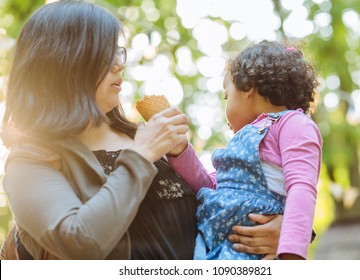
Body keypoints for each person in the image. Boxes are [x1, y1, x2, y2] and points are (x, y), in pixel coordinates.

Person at [0, 0, 283, 260]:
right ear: (66, 60)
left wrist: (285, 229)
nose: (119, 63)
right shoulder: (31, 160)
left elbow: (222, 202)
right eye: (104, 52)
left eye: (118, 51)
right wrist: (141, 155)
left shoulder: (146, 137)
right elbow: (79, 241)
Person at [168, 40, 322, 260]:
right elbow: (211, 186)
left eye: (226, 95)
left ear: (247, 87)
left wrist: (292, 254)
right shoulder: (239, 143)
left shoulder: (294, 124)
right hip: (216, 247)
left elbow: (302, 188)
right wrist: (180, 151)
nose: (225, 105)